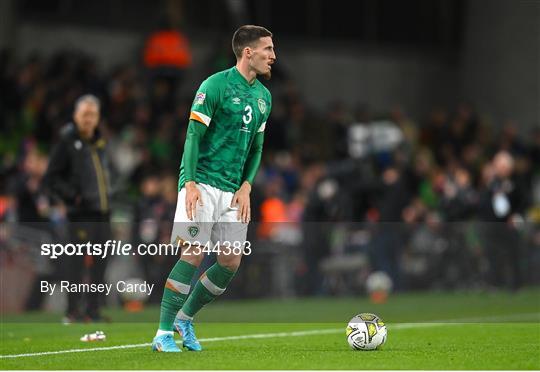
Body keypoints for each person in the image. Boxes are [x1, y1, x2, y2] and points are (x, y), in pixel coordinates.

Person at [151, 25, 275, 352]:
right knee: (192, 252)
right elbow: (193, 136)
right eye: (268, 49)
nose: (273, 56)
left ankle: (185, 318)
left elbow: (257, 148)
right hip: (202, 182)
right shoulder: (214, 85)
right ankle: (163, 334)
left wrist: (247, 186)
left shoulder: (264, 97)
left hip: (234, 191)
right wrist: (188, 182)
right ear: (248, 52)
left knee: (230, 262)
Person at [42, 94, 112, 323]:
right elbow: (51, 178)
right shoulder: (67, 142)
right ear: (75, 116)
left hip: (102, 213)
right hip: (81, 214)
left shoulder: (99, 141)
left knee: (100, 265)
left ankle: (93, 311)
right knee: (78, 262)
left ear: (98, 117)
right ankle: (72, 311)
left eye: (92, 114)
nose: (88, 119)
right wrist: (74, 197)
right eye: (84, 114)